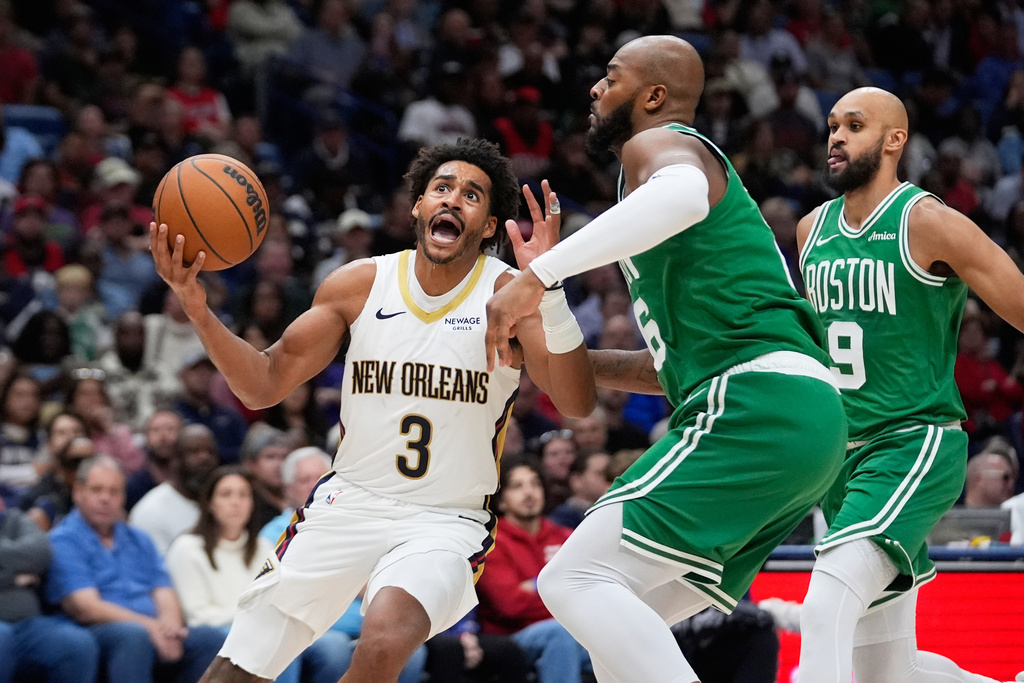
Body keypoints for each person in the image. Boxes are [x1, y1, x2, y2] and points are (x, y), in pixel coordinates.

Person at [149, 137, 595, 683]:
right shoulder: (359, 284)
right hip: (348, 502)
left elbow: (575, 402)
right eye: (441, 188)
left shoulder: (507, 294)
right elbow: (263, 385)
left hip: (444, 519)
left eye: (472, 195)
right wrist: (196, 306)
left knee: (383, 639)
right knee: (234, 672)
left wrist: (547, 288)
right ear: (417, 206)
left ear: (488, 227)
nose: (453, 200)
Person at [484, 35, 846, 683]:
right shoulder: (661, 207)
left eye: (611, 77)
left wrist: (537, 280)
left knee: (571, 577)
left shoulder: (661, 145)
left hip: (758, 403)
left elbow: (679, 194)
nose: (595, 88)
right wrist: (556, 318)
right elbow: (664, 369)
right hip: (799, 419)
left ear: (652, 95)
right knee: (616, 627)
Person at [794, 86, 1024, 682]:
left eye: (855, 125)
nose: (837, 137)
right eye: (832, 126)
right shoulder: (809, 231)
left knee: (824, 610)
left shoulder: (927, 221)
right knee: (884, 674)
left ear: (895, 140)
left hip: (911, 442)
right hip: (837, 460)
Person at [46, 455, 225, 683]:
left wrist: (169, 626)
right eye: (97, 490)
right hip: (99, 632)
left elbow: (163, 589)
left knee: (209, 638)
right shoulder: (63, 539)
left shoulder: (138, 538)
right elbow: (85, 607)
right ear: (78, 492)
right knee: (133, 636)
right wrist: (151, 627)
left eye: (114, 492)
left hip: (151, 630)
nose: (105, 499)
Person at [475, 458, 591, 683]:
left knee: (626, 638)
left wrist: (534, 586)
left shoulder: (566, 536)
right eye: (517, 486)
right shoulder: (491, 543)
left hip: (573, 632)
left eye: (535, 484)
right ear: (501, 500)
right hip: (511, 639)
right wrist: (562, 591)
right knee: (559, 635)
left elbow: (590, 591)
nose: (529, 493)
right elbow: (511, 605)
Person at [0, 494, 99, 683]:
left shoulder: (14, 519)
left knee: (78, 644)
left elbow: (41, 552)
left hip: (27, 625)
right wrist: (14, 577)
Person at [130, 423, 220, 555]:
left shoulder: (223, 503)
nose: (204, 458)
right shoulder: (151, 511)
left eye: (210, 452)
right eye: (195, 452)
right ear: (176, 460)